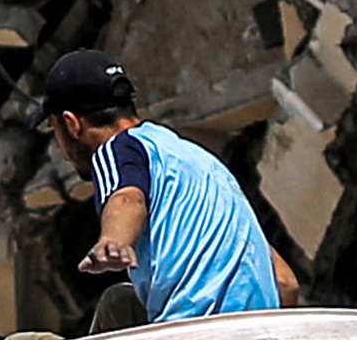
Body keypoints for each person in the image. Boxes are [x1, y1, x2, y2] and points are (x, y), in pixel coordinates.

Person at [43, 52, 290, 325]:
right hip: (258, 339)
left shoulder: (117, 148)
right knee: (122, 302)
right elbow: (285, 282)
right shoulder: (201, 163)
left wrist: (114, 240)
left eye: (54, 130)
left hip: (189, 337)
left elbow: (127, 197)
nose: (61, 148)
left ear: (71, 123)